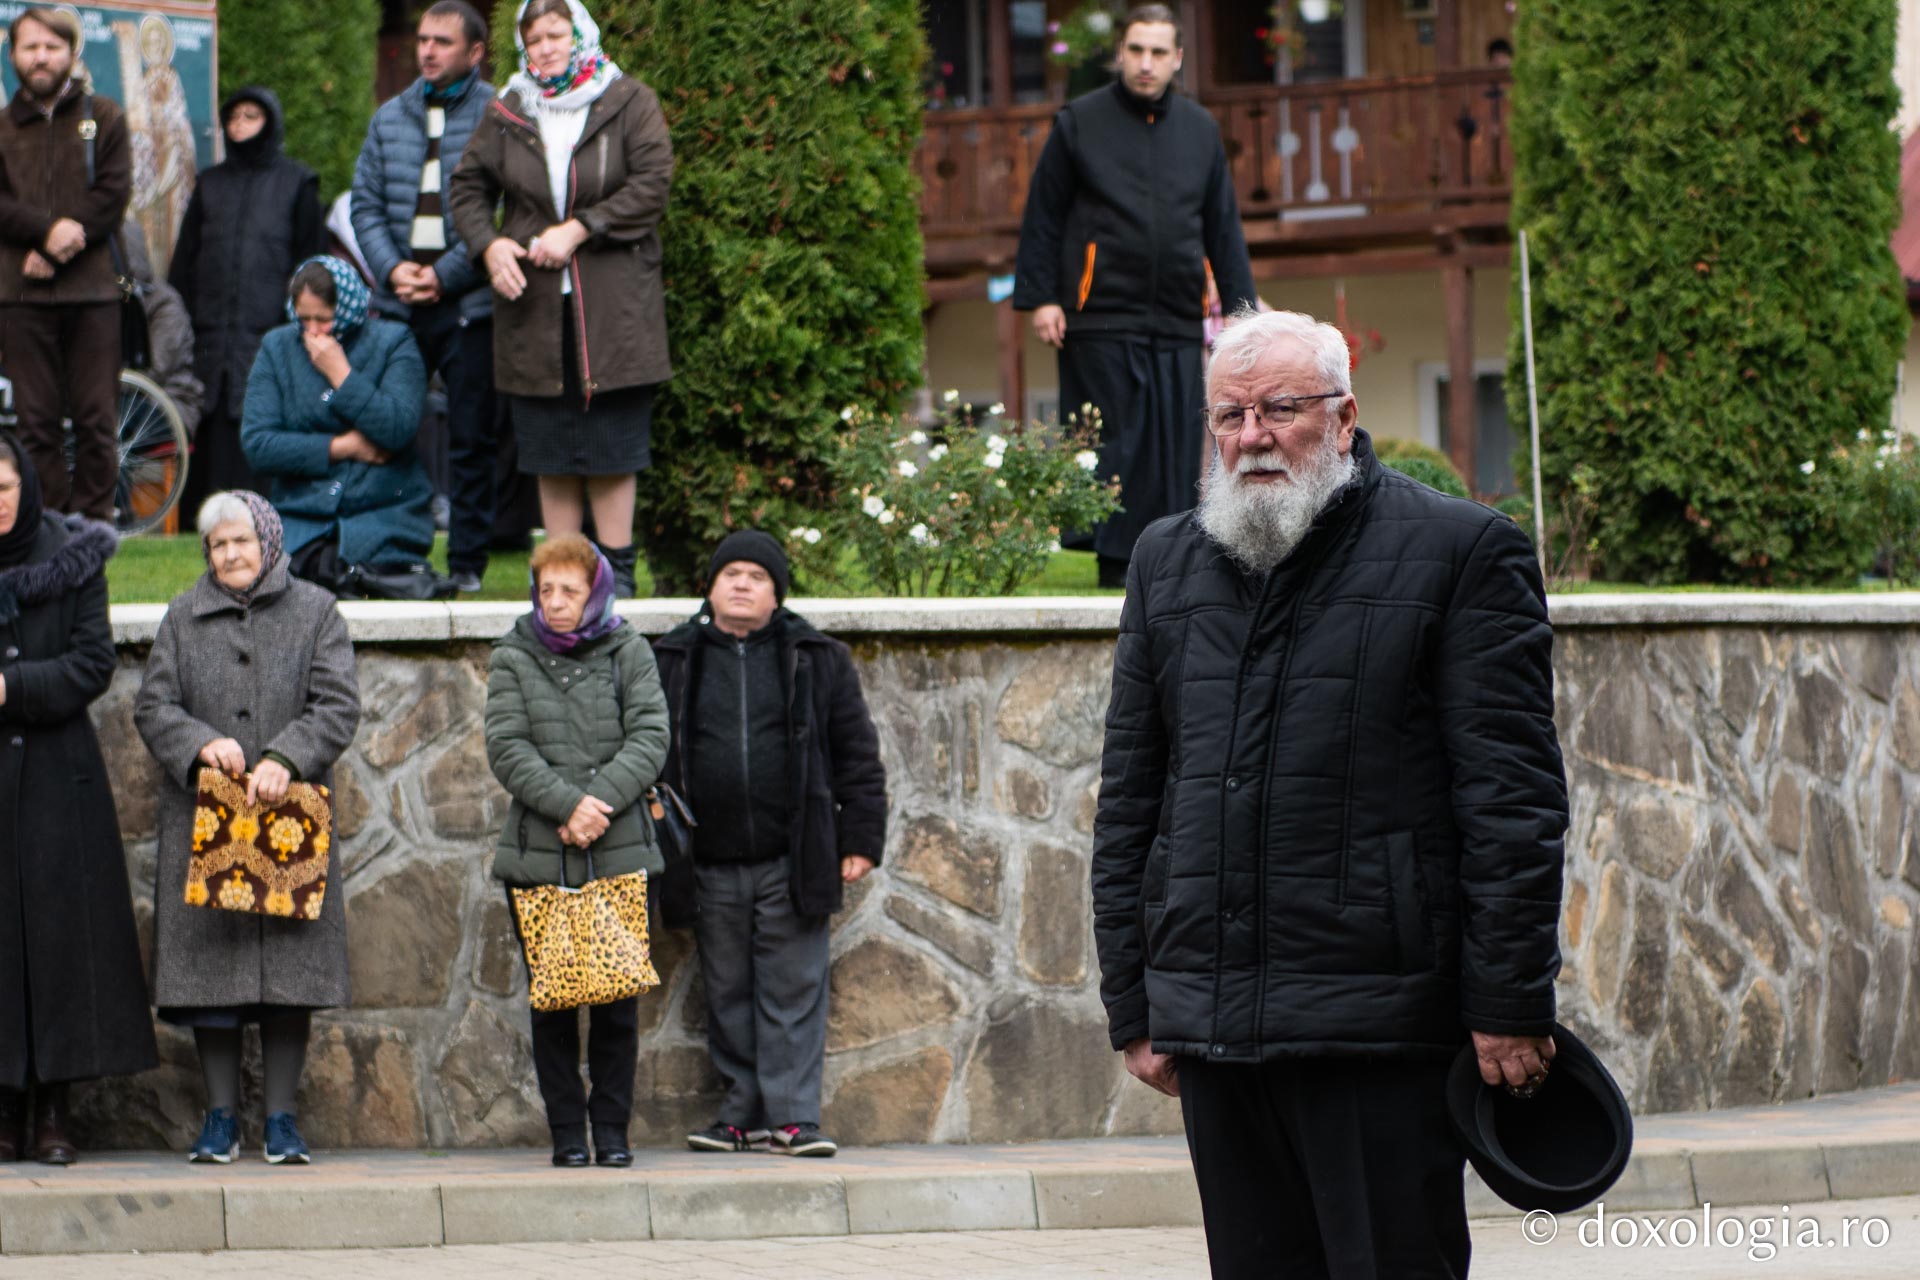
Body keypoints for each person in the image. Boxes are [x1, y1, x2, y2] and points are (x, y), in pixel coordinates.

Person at [1091, 309, 1567, 1279]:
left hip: (1381, 1030)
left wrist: (1509, 997)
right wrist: (1134, 1002)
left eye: (1280, 409)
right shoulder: (1165, 561)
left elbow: (1512, 804)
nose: (1251, 436)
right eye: (1230, 415)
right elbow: (1133, 797)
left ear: (1344, 416)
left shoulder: (1463, 551)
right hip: (1217, 1031)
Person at [133, 490, 361, 1165]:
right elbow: (154, 705)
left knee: (290, 975)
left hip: (290, 821)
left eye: (242, 541)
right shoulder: (183, 616)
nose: (230, 554)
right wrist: (201, 744)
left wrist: (287, 757)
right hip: (207, 821)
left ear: (269, 541)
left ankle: (282, 1120)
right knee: (213, 975)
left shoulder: (316, 611)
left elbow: (337, 704)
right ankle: (221, 1119)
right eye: (218, 545)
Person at [652, 532, 886, 1158]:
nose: (742, 584)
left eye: (757, 575)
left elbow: (857, 755)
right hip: (707, 861)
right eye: (730, 573)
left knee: (792, 991)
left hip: (793, 855)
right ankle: (741, 1116)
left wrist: (861, 838)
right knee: (726, 991)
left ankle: (792, 1118)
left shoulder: (816, 656)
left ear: (776, 592)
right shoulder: (672, 657)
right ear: (710, 587)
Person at [1012, 4, 1256, 588]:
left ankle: (1167, 566)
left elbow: (1222, 226)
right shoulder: (1080, 122)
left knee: (1173, 447)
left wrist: (1241, 311)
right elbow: (1043, 214)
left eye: (1159, 52)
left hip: (1175, 318)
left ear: (1177, 58)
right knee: (1114, 444)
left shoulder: (1200, 130)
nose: (1147, 63)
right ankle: (1116, 569)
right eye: (1137, 50)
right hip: (1097, 316)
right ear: (1120, 53)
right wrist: (1042, 297)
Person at [449, 0, 674, 598]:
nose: (546, 48)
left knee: (612, 446)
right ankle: (559, 581)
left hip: (614, 306)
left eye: (557, 35)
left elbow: (652, 184)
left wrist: (581, 228)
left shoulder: (627, 100)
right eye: (535, 39)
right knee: (549, 447)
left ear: (580, 37)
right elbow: (467, 188)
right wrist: (489, 245)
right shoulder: (510, 107)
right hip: (533, 306)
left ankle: (618, 580)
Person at [484, 532, 669, 1168]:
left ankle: (612, 1131)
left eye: (570, 590)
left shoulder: (629, 649)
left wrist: (597, 806)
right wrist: (568, 807)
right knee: (554, 1002)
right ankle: (567, 1132)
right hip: (541, 853)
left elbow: (650, 736)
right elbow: (507, 746)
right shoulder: (514, 654)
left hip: (619, 849)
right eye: (546, 590)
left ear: (596, 592)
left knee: (617, 1002)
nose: (556, 602)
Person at [0, 431, 158, 1165]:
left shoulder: (72, 556)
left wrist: (11, 688)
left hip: (59, 779)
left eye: (4, 488)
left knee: (62, 944)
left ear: (25, 486)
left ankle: (55, 1112)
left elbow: (93, 662)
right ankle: (5, 1109)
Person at [352, 1, 506, 595]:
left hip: (469, 302)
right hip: (398, 303)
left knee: (471, 438)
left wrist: (444, 274)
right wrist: (393, 269)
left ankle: (467, 564)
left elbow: (503, 210)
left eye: (443, 41)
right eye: (422, 40)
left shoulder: (500, 114)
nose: (427, 51)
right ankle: (392, 553)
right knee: (390, 431)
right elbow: (365, 204)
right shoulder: (389, 115)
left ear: (475, 52)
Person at [241, 256, 449, 600]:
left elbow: (398, 428)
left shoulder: (395, 342)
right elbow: (258, 444)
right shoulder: (277, 347)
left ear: (347, 308)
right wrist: (341, 447)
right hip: (300, 521)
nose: (313, 331)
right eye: (304, 319)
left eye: (324, 319)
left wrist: (342, 375)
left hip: (384, 517)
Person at [0, 7, 132, 521]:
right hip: (20, 296)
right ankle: (49, 529)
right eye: (30, 47)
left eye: (52, 47)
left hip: (94, 293)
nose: (41, 57)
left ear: (73, 53)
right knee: (35, 425)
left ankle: (94, 531)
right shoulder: (2, 128)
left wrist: (58, 246)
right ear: (13, 54)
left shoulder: (106, 116)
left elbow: (113, 194)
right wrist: (44, 231)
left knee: (97, 422)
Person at [170, 86, 322, 516]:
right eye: (233, 118)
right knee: (212, 436)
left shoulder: (297, 183)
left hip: (270, 338)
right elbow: (184, 264)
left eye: (251, 117)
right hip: (211, 341)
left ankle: (262, 524)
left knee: (260, 430)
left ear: (270, 123)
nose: (240, 126)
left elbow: (311, 265)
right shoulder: (210, 185)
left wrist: (299, 330)